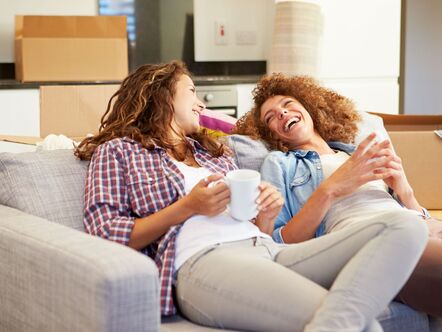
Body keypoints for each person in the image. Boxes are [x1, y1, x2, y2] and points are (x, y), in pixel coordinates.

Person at [75, 61, 428, 332]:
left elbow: (258, 229)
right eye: (192, 92)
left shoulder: (213, 153)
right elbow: (104, 232)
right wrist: (186, 208)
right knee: (360, 323)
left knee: (403, 227)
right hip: (202, 262)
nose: (200, 104)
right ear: (161, 94)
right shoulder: (118, 151)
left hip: (265, 250)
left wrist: (265, 215)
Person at [234, 73, 442, 317]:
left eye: (288, 104)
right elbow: (278, 243)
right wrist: (330, 189)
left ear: (309, 108)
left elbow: (420, 220)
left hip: (415, 229)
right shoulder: (280, 163)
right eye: (271, 117)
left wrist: (405, 190)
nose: (281, 112)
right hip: (364, 239)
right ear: (273, 135)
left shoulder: (355, 152)